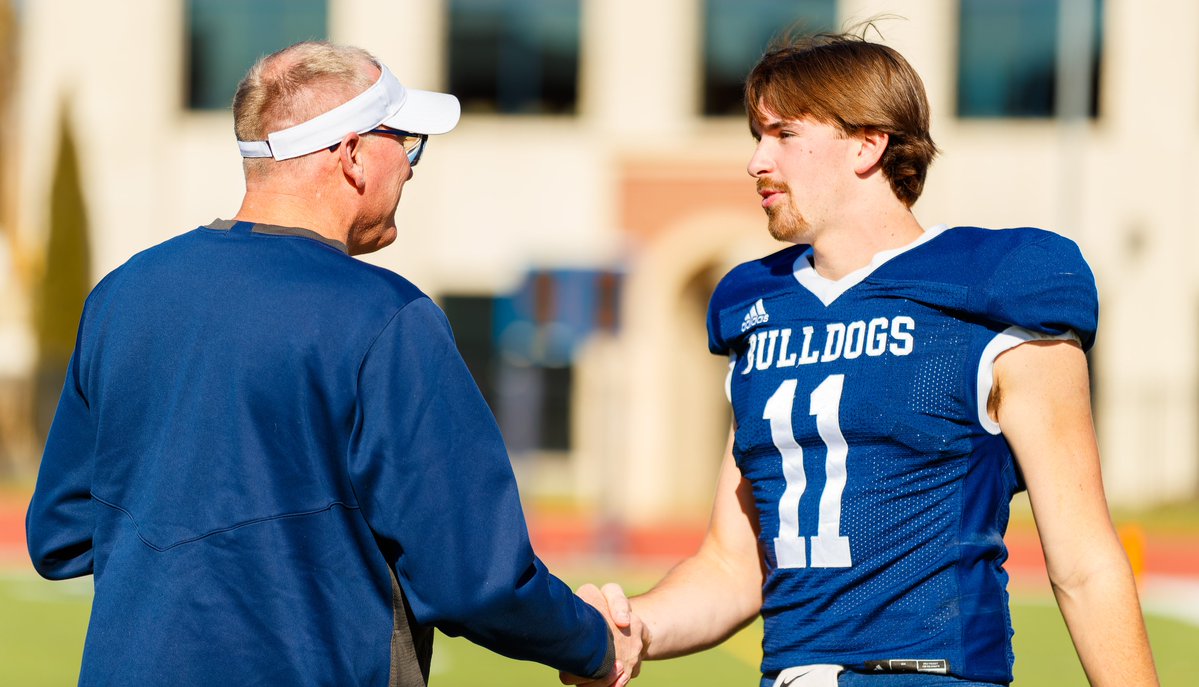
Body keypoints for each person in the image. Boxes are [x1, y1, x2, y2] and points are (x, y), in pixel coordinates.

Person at [25, 41, 634, 687]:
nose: (411, 165)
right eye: (406, 142)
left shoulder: (123, 294)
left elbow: (62, 531)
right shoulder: (385, 315)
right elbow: (473, 578)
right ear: (352, 156)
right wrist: (592, 641)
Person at [571, 31, 1159, 687]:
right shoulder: (754, 307)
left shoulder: (994, 288)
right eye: (755, 136)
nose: (756, 161)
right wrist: (630, 629)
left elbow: (1082, 560)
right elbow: (732, 564)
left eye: (783, 134)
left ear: (867, 142)